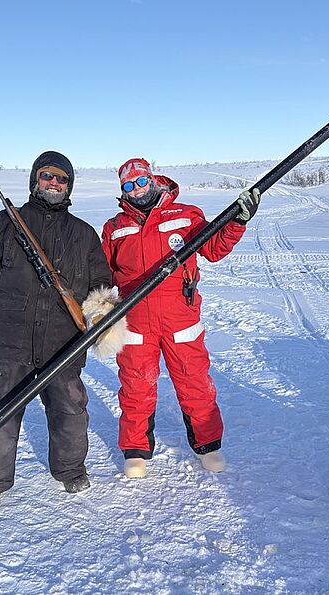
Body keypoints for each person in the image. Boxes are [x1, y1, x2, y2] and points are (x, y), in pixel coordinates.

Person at [0, 150, 115, 510]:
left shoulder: (84, 234)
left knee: (70, 410)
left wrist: (98, 317)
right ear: (34, 180)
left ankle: (71, 470)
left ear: (69, 186)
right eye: (47, 176)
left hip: (63, 341)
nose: (54, 183)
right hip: (9, 336)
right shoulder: (6, 223)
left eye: (61, 178)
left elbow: (101, 285)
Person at [101, 157, 261, 478]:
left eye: (141, 181)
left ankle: (208, 446)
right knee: (136, 386)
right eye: (128, 185)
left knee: (195, 383)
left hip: (180, 319)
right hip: (135, 323)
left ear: (152, 180)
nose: (136, 189)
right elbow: (102, 273)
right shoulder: (114, 228)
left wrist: (237, 222)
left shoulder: (185, 215)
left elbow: (214, 248)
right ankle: (136, 452)